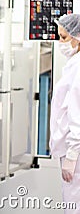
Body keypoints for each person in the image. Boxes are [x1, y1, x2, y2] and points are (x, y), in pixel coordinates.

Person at [50, 14, 80, 213]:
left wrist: (72, 154)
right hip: (74, 148)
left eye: (63, 37)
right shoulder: (73, 63)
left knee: (73, 204)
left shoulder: (78, 66)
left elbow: (77, 112)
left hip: (76, 153)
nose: (59, 42)